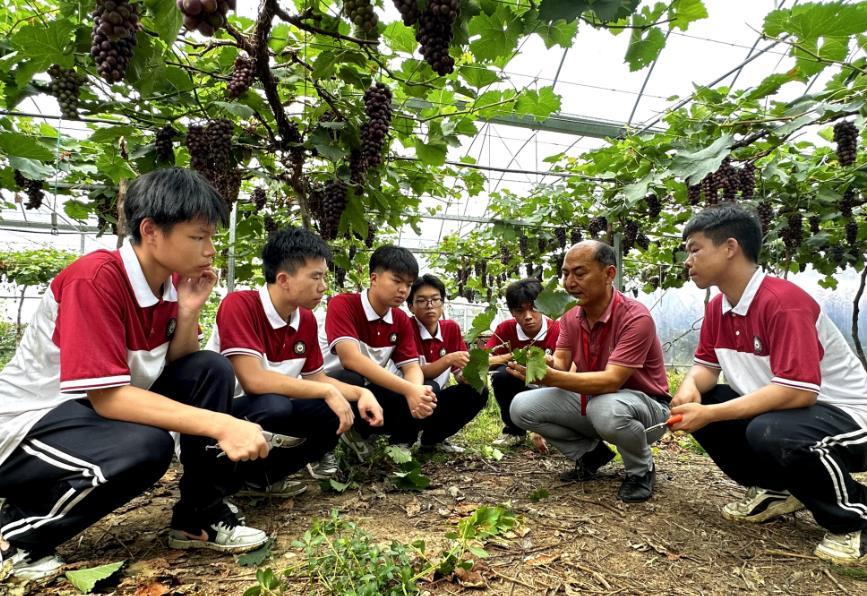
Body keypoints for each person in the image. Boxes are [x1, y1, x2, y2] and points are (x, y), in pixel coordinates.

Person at [0, 169, 269, 581]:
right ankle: (15, 539)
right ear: (151, 231)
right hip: (29, 428)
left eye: (211, 237)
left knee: (209, 368)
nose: (211, 249)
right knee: (145, 446)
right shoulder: (96, 279)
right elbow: (108, 396)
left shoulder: (167, 285)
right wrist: (223, 423)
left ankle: (198, 518)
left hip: (88, 417)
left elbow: (179, 364)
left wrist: (187, 310)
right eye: (198, 237)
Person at [671, 203, 867, 565]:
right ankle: (777, 491)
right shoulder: (718, 307)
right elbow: (705, 367)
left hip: (849, 417)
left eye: (695, 249)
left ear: (730, 247)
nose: (688, 260)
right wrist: (689, 389)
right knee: (708, 398)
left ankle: (855, 516)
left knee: (770, 430)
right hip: (792, 414)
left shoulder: (783, 303)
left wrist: (710, 412)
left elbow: (797, 391)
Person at [205, 227, 384, 493]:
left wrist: (360, 393)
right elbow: (254, 381)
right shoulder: (240, 305)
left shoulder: (306, 319)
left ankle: (263, 479)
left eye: (323, 276)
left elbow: (316, 377)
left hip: (267, 414)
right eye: (316, 277)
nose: (323, 286)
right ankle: (221, 479)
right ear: (284, 279)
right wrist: (327, 390)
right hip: (222, 419)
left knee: (330, 410)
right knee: (276, 406)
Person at [509, 241, 670, 502]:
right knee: (521, 406)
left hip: (648, 410)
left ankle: (641, 470)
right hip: (597, 403)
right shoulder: (571, 317)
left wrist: (554, 377)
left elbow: (611, 380)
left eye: (579, 273)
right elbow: (561, 361)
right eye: (565, 273)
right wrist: (542, 364)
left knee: (606, 407)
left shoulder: (635, 317)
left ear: (609, 274)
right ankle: (592, 454)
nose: (569, 283)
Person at [318, 245, 440, 453]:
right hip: (331, 388)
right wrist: (409, 389)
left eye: (409, 284)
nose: (404, 290)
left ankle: (397, 445)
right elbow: (351, 359)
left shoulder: (400, 319)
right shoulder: (343, 304)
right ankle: (327, 446)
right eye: (397, 280)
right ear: (374, 278)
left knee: (429, 388)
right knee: (350, 377)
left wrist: (416, 393)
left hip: (369, 390)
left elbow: (412, 368)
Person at [407, 274, 488, 452]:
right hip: (405, 398)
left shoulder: (451, 328)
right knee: (429, 386)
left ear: (442, 304)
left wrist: (470, 375)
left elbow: (459, 373)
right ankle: (403, 439)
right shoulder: (406, 327)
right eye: (421, 301)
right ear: (411, 306)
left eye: (435, 300)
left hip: (432, 397)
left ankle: (432, 439)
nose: (430, 306)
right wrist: (448, 359)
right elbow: (419, 373)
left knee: (478, 390)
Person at [485, 278, 560, 446]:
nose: (528, 316)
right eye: (520, 310)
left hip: (550, 385)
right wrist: (515, 356)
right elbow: (485, 361)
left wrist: (551, 362)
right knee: (501, 375)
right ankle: (514, 431)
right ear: (512, 312)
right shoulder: (505, 329)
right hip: (520, 383)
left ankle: (550, 430)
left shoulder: (557, 328)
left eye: (533, 308)